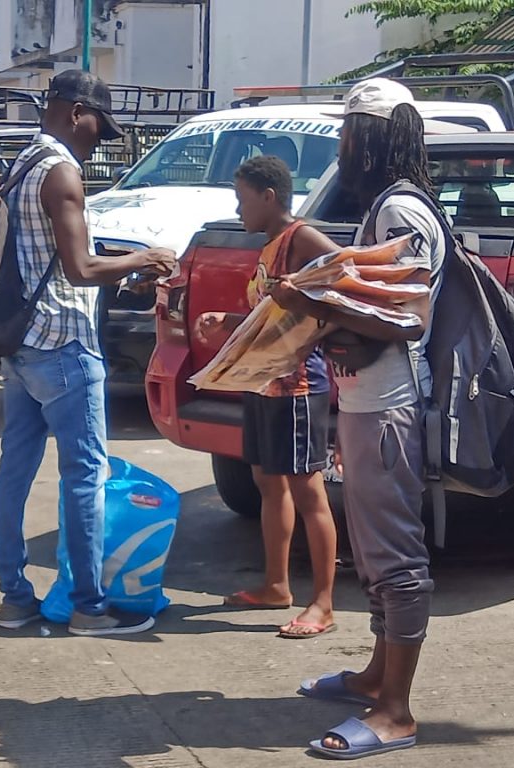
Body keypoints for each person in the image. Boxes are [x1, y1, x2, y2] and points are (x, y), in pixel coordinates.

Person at [270, 78, 443, 759]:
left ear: (372, 138)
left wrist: (317, 307)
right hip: (369, 402)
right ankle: (376, 674)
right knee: (371, 553)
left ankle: (396, 712)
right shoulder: (387, 207)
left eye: (348, 133)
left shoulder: (401, 212)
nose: (341, 146)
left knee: (395, 558)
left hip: (389, 409)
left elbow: (409, 316)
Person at [0, 70, 176, 636]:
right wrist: (147, 259)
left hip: (20, 341)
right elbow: (80, 268)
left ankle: (14, 598)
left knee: (15, 469)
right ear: (75, 112)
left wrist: (121, 277)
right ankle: (89, 607)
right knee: (84, 476)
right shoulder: (61, 171)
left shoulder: (23, 162)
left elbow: (51, 259)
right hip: (64, 343)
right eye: (98, 124)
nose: (100, 138)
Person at [195, 156, 338, 638]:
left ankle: (323, 602)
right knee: (267, 482)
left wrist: (321, 322)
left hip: (297, 388)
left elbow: (343, 280)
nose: (239, 211)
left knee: (308, 491)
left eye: (242, 200)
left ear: (268, 196)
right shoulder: (270, 247)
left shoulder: (301, 239)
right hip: (263, 383)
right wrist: (229, 323)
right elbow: (273, 315)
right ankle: (277, 585)